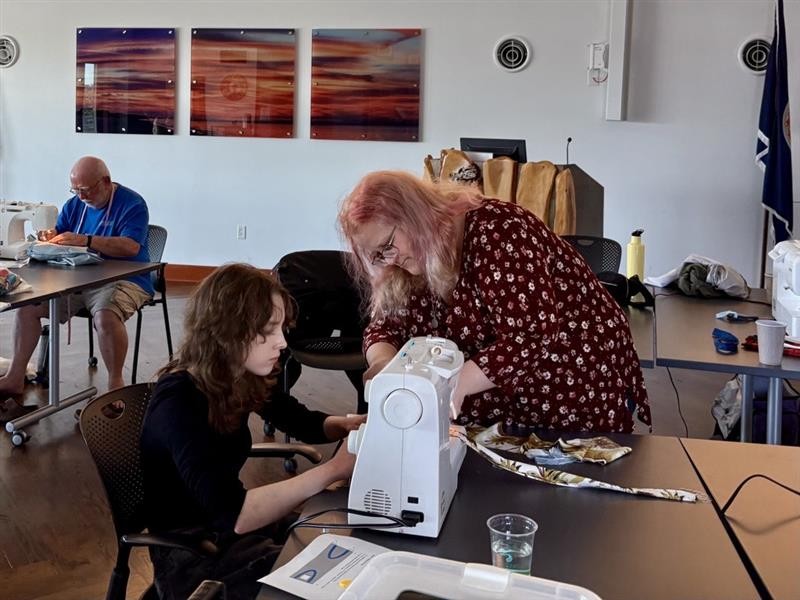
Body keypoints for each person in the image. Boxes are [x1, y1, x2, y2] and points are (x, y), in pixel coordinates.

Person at [338, 170, 651, 433]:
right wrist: (384, 364)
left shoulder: (500, 231)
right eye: (377, 255)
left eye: (388, 245)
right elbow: (386, 325)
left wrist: (453, 386)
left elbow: (531, 335)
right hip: (497, 409)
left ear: (415, 216)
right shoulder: (406, 261)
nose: (388, 260)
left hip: (570, 391)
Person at [141, 263, 362, 600]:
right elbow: (238, 516)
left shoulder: (236, 373)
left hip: (225, 535)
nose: (283, 343)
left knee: (344, 546)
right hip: (191, 555)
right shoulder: (180, 401)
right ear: (227, 329)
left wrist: (345, 424)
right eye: (268, 331)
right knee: (333, 579)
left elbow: (297, 419)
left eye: (281, 329)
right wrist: (332, 470)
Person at [0, 155, 152, 397]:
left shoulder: (132, 204)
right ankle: (15, 377)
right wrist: (48, 238)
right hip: (78, 278)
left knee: (105, 316)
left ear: (106, 181)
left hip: (125, 278)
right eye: (75, 190)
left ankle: (116, 386)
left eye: (85, 190)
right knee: (27, 309)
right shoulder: (74, 205)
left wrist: (87, 240)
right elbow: (58, 236)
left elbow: (131, 247)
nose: (81, 197)